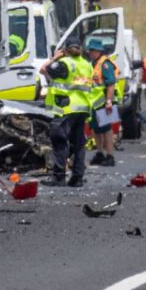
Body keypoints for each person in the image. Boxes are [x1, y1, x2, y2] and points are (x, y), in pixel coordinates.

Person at [40, 38, 94, 187]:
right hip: (82, 108)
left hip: (67, 108)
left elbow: (43, 69)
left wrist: (55, 57)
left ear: (65, 49)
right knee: (78, 144)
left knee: (60, 141)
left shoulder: (65, 64)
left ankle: (59, 177)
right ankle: (77, 177)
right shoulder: (87, 65)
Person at [87, 38, 120, 167]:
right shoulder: (93, 63)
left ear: (98, 51)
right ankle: (100, 153)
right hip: (95, 102)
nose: (90, 52)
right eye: (89, 50)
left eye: (92, 50)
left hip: (104, 102)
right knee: (96, 129)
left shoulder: (105, 64)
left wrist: (109, 101)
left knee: (106, 129)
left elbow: (110, 84)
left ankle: (110, 155)